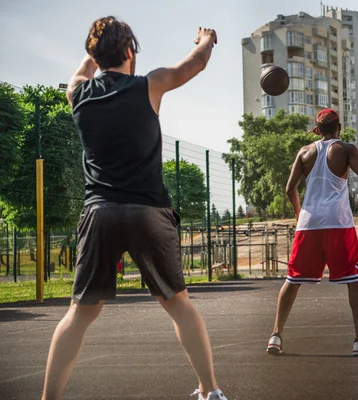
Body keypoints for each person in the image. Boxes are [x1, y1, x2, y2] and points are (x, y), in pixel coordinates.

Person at [41, 17, 226, 400]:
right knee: (178, 304)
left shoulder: (77, 92)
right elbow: (196, 63)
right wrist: (207, 39)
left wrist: (95, 49)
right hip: (147, 212)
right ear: (129, 51)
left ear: (95, 55)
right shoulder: (149, 85)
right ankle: (210, 391)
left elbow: (82, 69)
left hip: (101, 212)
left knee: (80, 313)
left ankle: (49, 398)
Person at [266, 109, 358, 357]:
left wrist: (300, 215)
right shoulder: (346, 149)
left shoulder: (304, 152)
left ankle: (276, 336)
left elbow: (290, 189)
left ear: (318, 130)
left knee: (293, 279)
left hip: (309, 224)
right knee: (354, 281)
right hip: (337, 223)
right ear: (339, 126)